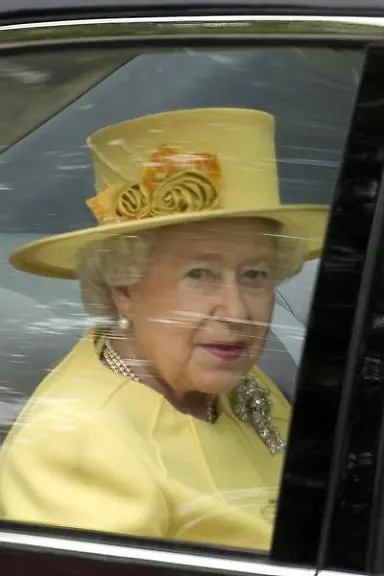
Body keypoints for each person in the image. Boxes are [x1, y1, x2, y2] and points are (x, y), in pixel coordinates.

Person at [0, 108, 327, 550]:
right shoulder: (82, 450)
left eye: (254, 274)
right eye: (199, 274)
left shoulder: (214, 369)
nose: (236, 311)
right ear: (125, 287)